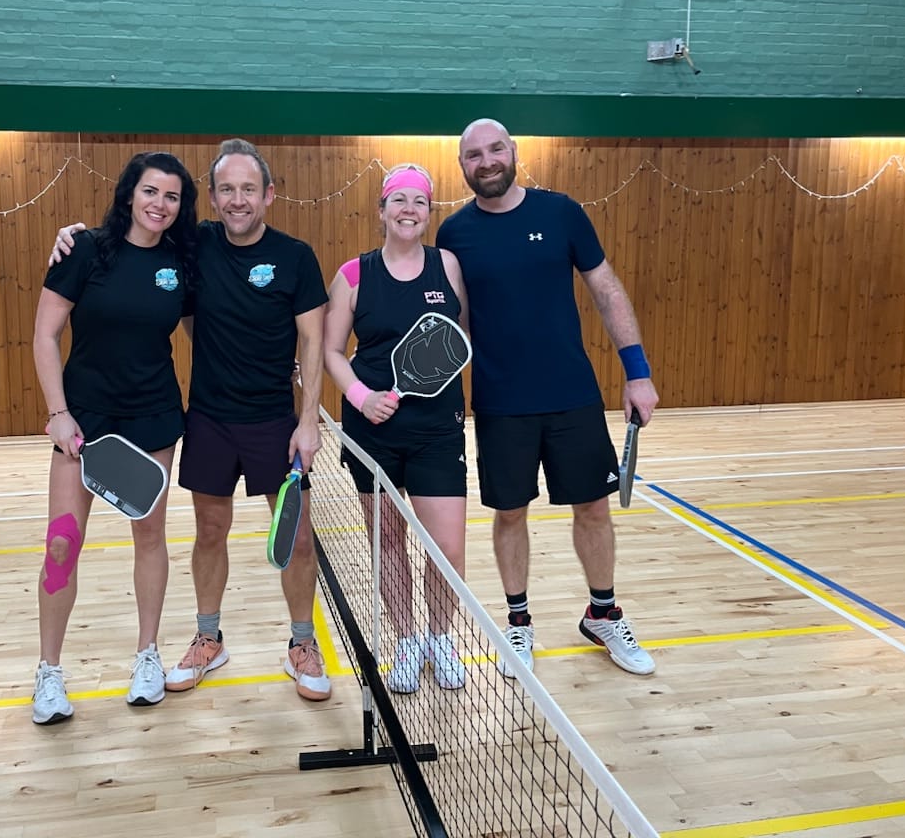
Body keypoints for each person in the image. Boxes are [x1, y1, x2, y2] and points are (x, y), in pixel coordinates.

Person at [50, 139, 332, 702]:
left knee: (298, 538)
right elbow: (135, 249)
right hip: (208, 418)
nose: (237, 200)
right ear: (214, 197)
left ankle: (302, 643)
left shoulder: (296, 257)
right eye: (226, 189)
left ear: (269, 195)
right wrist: (72, 236)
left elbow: (314, 341)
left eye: (248, 189)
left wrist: (308, 422)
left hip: (275, 420)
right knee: (209, 531)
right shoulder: (193, 246)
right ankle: (209, 638)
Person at [435, 119, 661, 677]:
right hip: (500, 404)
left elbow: (606, 289)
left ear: (513, 152)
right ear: (462, 166)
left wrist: (637, 373)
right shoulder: (453, 234)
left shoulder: (561, 213)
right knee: (510, 513)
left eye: (495, 150)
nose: (486, 161)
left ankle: (602, 613)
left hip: (572, 396)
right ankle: (518, 623)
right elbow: (456, 323)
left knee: (594, 508)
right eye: (473, 155)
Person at [31, 151, 200, 725]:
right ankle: (49, 671)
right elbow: (45, 334)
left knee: (149, 538)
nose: (160, 204)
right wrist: (58, 413)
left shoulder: (183, 260)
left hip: (152, 419)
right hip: (83, 421)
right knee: (61, 542)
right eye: (151, 191)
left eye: (172, 196)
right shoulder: (83, 249)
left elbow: (206, 330)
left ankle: (147, 655)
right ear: (129, 193)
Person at [322, 163, 470, 693]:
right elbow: (331, 351)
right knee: (387, 542)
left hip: (438, 429)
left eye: (419, 201)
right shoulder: (353, 275)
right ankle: (407, 640)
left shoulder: (447, 265)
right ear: (382, 210)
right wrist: (361, 398)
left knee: (447, 547)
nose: (409, 210)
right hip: (373, 431)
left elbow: (459, 338)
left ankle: (440, 638)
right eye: (399, 200)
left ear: (429, 212)